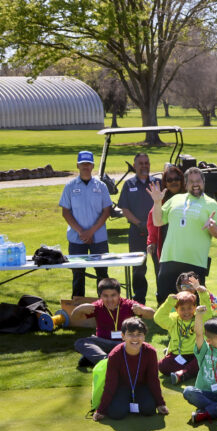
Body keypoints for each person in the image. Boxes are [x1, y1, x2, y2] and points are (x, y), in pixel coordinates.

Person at [146, 167, 217, 304]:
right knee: (166, 301)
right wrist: (157, 202)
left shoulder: (212, 204)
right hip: (169, 259)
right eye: (191, 181)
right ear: (186, 184)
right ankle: (167, 326)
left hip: (195, 262)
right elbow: (158, 221)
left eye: (198, 180)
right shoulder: (175, 199)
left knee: (193, 303)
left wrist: (212, 227)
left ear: (203, 182)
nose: (195, 184)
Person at [92, 318, 168, 421]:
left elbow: (153, 380)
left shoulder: (150, 352)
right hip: (122, 387)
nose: (135, 338)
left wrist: (160, 403)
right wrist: (102, 410)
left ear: (144, 336)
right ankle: (125, 403)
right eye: (131, 334)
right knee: (116, 413)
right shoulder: (115, 355)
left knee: (149, 410)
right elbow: (111, 383)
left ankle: (132, 403)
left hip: (142, 386)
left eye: (139, 334)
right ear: (123, 336)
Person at [60, 150, 112, 297]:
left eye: (88, 163)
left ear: (93, 165)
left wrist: (91, 232)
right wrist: (82, 232)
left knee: (102, 274)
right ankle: (78, 310)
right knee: (78, 275)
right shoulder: (69, 186)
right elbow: (66, 212)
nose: (86, 166)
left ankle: (104, 307)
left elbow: (106, 211)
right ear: (77, 165)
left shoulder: (101, 186)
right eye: (83, 163)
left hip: (99, 238)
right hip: (77, 239)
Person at [72, 277, 155, 367]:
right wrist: (79, 309)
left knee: (137, 345)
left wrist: (142, 310)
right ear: (100, 296)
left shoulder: (128, 304)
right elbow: (74, 318)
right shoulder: (97, 306)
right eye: (105, 296)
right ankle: (107, 360)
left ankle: (102, 360)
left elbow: (152, 314)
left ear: (119, 294)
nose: (110, 300)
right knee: (80, 342)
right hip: (104, 343)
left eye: (113, 295)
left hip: (124, 343)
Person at [118, 153, 159, 304]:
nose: (144, 166)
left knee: (160, 266)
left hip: (157, 233)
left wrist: (152, 226)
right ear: (134, 166)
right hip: (137, 231)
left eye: (146, 163)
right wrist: (140, 224)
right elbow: (125, 209)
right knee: (138, 268)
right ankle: (139, 300)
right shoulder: (128, 185)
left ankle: (162, 298)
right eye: (141, 163)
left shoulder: (157, 183)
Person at [154, 290, 203, 386]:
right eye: (182, 309)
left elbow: (208, 313)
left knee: (204, 360)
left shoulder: (199, 317)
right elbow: (158, 318)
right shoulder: (173, 319)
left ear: (195, 307)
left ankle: (182, 374)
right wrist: (169, 302)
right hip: (178, 354)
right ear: (176, 309)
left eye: (190, 308)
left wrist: (204, 295)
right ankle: (191, 370)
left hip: (195, 354)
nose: (186, 312)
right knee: (162, 366)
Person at [146, 165, 185, 279]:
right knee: (165, 281)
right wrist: (151, 242)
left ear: (182, 180)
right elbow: (152, 222)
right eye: (169, 180)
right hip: (165, 247)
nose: (173, 182)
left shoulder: (189, 197)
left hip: (185, 248)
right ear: (165, 183)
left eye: (176, 179)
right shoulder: (161, 200)